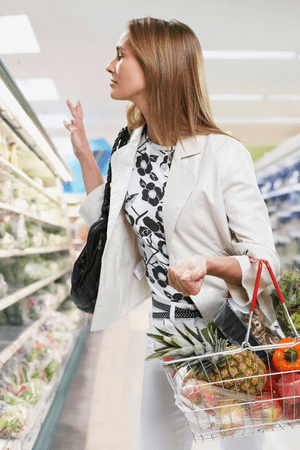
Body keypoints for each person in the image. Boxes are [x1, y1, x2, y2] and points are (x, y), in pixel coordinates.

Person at [64, 17, 280, 450]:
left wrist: (208, 265)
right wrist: (85, 153)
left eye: (121, 55)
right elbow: (108, 217)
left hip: (229, 331)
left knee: (241, 443)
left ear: (157, 65)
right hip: (166, 331)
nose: (110, 65)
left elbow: (266, 265)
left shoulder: (223, 153)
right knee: (156, 443)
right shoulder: (128, 151)